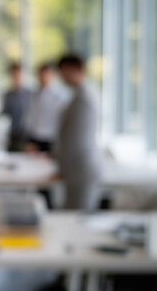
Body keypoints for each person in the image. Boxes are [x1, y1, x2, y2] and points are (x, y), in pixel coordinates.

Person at [56, 54, 101, 210]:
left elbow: (76, 140)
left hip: (80, 167)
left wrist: (62, 166)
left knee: (78, 218)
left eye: (64, 71)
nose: (62, 77)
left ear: (77, 69)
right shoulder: (78, 96)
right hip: (77, 168)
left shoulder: (83, 99)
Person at [25, 63, 70, 153]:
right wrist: (29, 140)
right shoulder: (33, 94)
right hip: (35, 139)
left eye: (45, 75)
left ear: (52, 75)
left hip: (53, 139)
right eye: (40, 75)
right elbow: (31, 118)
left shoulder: (61, 95)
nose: (42, 78)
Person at [1, 62, 32, 152]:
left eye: (18, 74)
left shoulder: (31, 94)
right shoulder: (8, 95)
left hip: (28, 135)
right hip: (13, 134)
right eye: (13, 74)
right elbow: (4, 113)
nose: (16, 77)